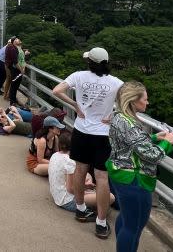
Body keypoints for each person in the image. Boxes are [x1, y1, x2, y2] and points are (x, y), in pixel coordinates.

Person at [52, 47, 123, 239]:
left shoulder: (79, 76)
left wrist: (74, 104)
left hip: (82, 131)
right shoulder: (116, 82)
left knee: (80, 170)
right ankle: (101, 223)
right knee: (102, 178)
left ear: (90, 62)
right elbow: (132, 102)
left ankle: (81, 209)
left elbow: (57, 90)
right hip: (103, 134)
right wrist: (114, 114)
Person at [106, 81, 173, 252]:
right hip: (134, 180)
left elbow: (129, 144)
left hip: (120, 175)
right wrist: (167, 143)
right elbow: (151, 156)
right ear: (133, 100)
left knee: (126, 218)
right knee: (134, 227)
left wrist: (152, 138)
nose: (147, 102)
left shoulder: (118, 116)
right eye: (145, 99)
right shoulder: (131, 124)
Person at [49, 131, 112, 212]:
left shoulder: (55, 155)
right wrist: (86, 188)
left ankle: (94, 203)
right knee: (110, 197)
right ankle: (92, 210)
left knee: (87, 176)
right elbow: (70, 189)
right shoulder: (69, 161)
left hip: (57, 195)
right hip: (68, 200)